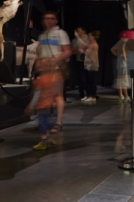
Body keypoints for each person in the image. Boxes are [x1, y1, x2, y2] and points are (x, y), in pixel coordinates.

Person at [34, 11, 71, 140]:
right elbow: (39, 53)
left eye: (51, 18)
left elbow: (67, 51)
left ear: (56, 21)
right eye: (45, 18)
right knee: (45, 96)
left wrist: (54, 60)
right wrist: (39, 64)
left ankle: (58, 122)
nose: (48, 21)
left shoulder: (61, 34)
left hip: (56, 69)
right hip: (45, 70)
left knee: (57, 94)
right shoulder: (42, 35)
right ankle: (47, 123)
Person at [75, 30, 100, 103]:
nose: (88, 37)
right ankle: (88, 95)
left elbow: (88, 54)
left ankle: (93, 96)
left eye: (89, 35)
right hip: (87, 65)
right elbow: (84, 45)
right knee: (86, 81)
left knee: (91, 81)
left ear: (93, 37)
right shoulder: (90, 43)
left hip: (92, 65)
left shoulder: (94, 45)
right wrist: (78, 37)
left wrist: (82, 52)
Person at [111, 34, 130, 103]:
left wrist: (118, 55)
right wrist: (124, 56)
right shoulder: (125, 41)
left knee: (120, 79)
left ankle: (121, 96)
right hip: (123, 63)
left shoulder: (120, 41)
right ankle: (126, 96)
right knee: (124, 79)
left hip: (120, 63)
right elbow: (122, 48)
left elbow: (112, 49)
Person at [71, 26, 88, 100]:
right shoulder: (74, 40)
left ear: (83, 31)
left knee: (88, 77)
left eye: (79, 31)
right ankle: (81, 93)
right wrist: (78, 51)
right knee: (81, 78)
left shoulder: (88, 38)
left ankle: (90, 93)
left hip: (88, 61)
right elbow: (72, 51)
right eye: (77, 31)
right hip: (79, 61)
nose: (78, 32)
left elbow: (89, 48)